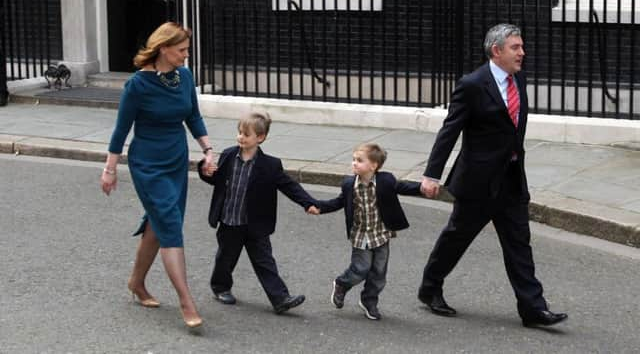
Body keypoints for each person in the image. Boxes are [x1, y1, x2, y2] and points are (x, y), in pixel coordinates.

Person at [418, 23, 568, 328]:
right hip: (478, 182)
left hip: (511, 178)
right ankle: (430, 287)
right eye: (516, 47)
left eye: (522, 47)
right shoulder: (473, 84)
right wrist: (432, 174)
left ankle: (532, 308)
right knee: (457, 238)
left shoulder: (518, 79)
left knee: (519, 244)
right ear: (496, 51)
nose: (522, 53)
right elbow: (451, 130)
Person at [100, 21, 214, 330]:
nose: (186, 56)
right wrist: (110, 169)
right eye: (181, 50)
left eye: (187, 50)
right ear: (163, 48)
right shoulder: (137, 85)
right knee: (170, 223)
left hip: (176, 159)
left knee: (159, 222)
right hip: (148, 164)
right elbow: (121, 130)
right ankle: (186, 300)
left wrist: (207, 149)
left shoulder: (184, 77)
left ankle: (136, 282)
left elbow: (193, 115)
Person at [197, 111, 316, 314]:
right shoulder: (228, 155)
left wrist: (308, 203)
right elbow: (214, 179)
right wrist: (203, 169)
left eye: (246, 134)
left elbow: (289, 186)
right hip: (229, 220)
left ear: (260, 138)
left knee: (265, 261)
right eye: (239, 132)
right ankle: (220, 287)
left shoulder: (270, 165)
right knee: (226, 257)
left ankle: (280, 299)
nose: (241, 137)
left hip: (255, 224)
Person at [307, 143, 422, 320]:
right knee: (361, 269)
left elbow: (403, 187)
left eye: (359, 161)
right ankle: (342, 284)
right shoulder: (348, 184)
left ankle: (369, 301)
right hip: (360, 235)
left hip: (381, 235)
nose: (354, 163)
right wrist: (320, 208)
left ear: (374, 165)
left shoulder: (385, 181)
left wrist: (422, 188)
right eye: (353, 160)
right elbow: (338, 202)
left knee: (379, 273)